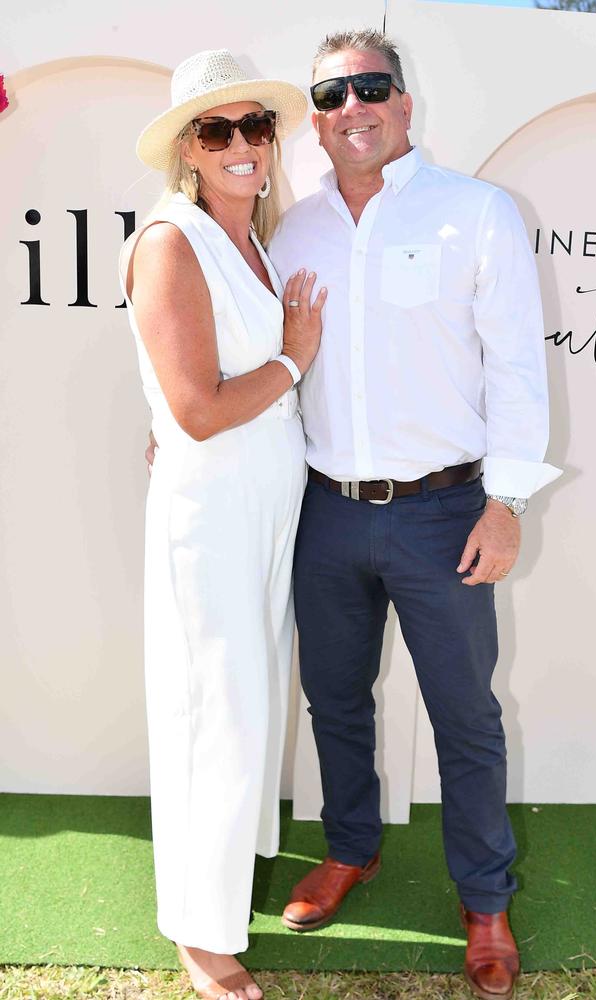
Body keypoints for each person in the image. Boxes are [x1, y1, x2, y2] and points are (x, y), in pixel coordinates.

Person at [266, 29, 561, 1000]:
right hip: (323, 513)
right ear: (314, 118)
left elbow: (517, 362)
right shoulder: (291, 230)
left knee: (465, 717)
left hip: (444, 513)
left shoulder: (473, 213)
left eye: (369, 87)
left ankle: (483, 896)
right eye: (331, 93)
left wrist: (506, 499)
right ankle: (350, 847)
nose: (352, 105)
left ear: (402, 101)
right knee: (334, 699)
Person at [119, 50, 326, 1000]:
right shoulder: (171, 241)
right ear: (189, 152)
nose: (242, 144)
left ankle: (216, 894)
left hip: (261, 506)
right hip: (212, 516)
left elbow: (186, 401)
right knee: (215, 714)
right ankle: (199, 936)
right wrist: (293, 360)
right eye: (218, 130)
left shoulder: (255, 238)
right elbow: (198, 408)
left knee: (245, 710)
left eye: (256, 126)